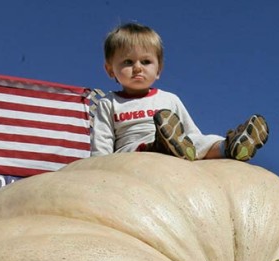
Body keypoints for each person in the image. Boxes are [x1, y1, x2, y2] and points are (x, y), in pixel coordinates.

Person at [90, 22, 269, 162]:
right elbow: (102, 144)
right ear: (110, 70)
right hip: (133, 153)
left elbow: (192, 133)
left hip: (177, 145)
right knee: (130, 150)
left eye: (145, 62)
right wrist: (99, 168)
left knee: (201, 141)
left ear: (158, 70)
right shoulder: (109, 103)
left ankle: (230, 146)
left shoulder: (168, 99)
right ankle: (163, 145)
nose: (137, 68)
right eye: (128, 62)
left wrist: (202, 145)